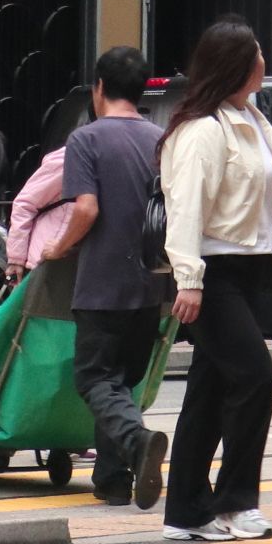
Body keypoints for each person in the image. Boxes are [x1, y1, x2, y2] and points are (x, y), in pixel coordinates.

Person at [155, 17, 272, 543]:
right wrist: (188, 278)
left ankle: (186, 511)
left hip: (247, 268)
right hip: (212, 273)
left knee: (209, 391)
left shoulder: (250, 120)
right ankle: (234, 503)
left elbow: (258, 196)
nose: (264, 61)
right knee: (256, 376)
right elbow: (185, 206)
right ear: (236, 63)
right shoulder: (202, 130)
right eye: (256, 53)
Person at [41, 46, 169, 511]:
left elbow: (86, 209)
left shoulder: (87, 139)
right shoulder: (160, 139)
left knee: (94, 378)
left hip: (102, 282)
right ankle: (112, 481)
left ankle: (138, 444)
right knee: (122, 382)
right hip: (151, 284)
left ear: (99, 87)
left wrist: (59, 246)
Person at [3, 144, 74, 281]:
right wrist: (16, 259)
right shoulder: (69, 159)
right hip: (46, 260)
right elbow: (25, 204)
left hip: (71, 260)